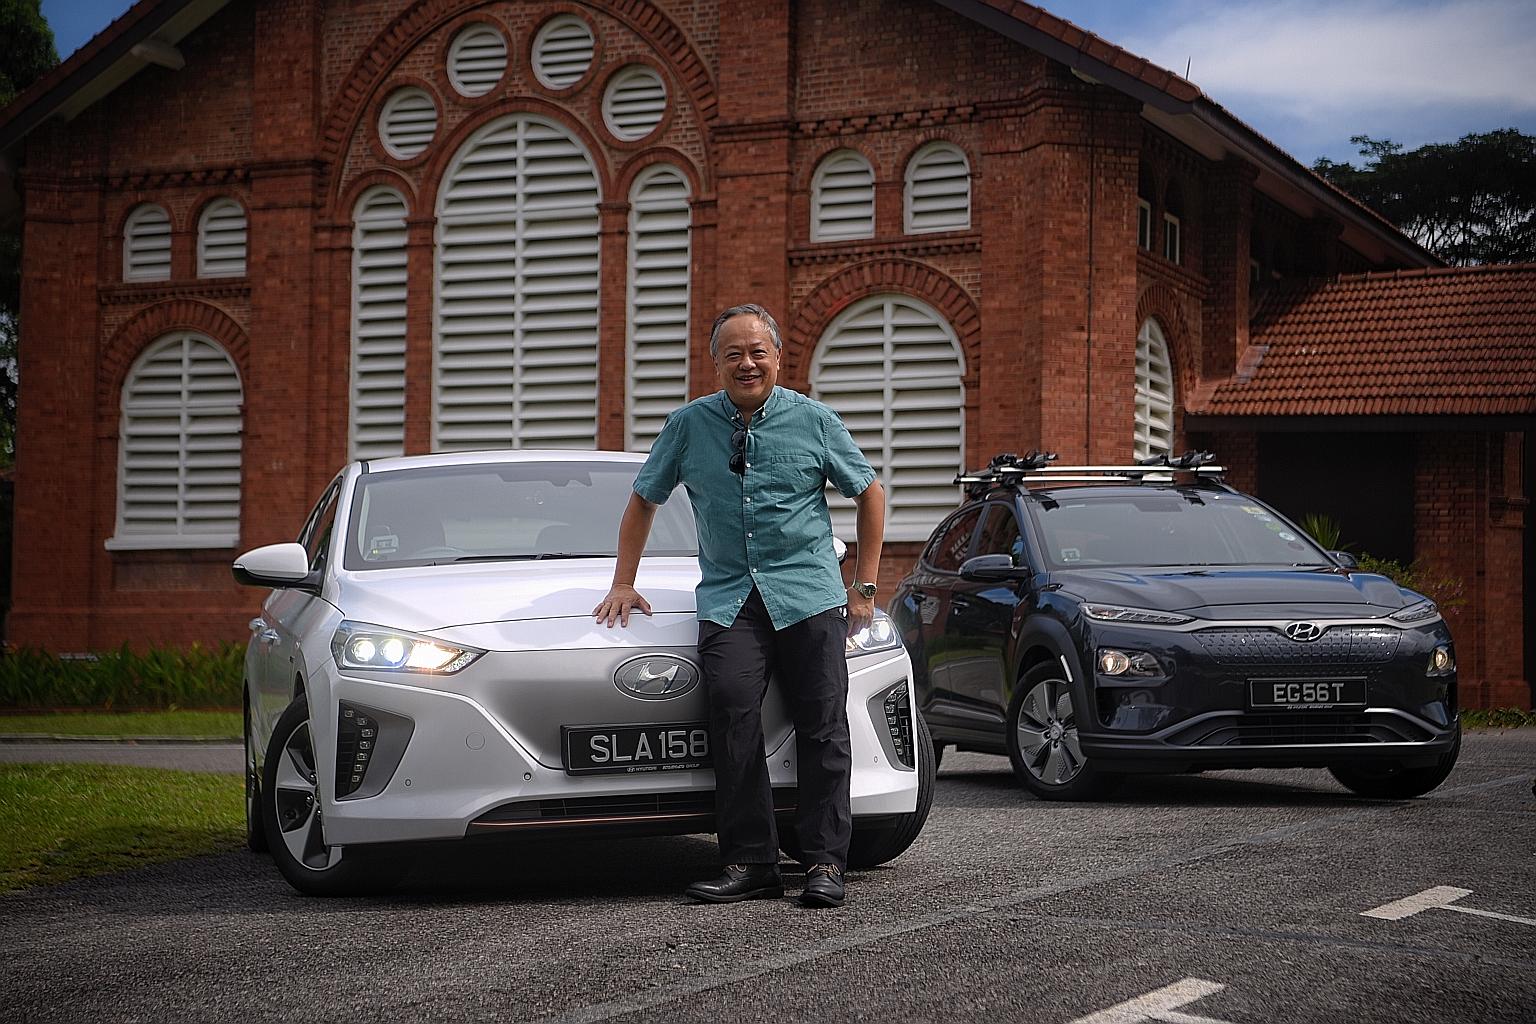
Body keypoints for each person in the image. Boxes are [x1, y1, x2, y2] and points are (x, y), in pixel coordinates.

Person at [593, 303, 886, 908]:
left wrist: (864, 586)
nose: (747, 363)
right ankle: (751, 860)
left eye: (758, 352)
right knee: (730, 708)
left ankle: (824, 861)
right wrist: (624, 581)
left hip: (807, 592)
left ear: (778, 357)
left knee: (823, 724)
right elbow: (643, 500)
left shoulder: (815, 421)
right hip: (730, 598)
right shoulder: (688, 426)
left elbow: (870, 493)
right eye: (734, 354)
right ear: (716, 362)